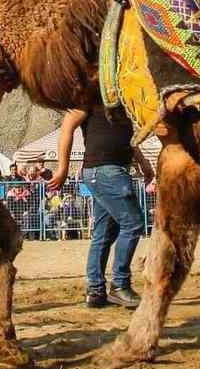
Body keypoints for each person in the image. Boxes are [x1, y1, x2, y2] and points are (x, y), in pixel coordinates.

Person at [51, 105, 151, 309]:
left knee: (104, 233)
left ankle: (96, 291)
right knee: (133, 223)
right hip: (104, 170)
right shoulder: (88, 96)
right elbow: (67, 128)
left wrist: (143, 162)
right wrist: (62, 169)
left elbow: (128, 140)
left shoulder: (122, 103)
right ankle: (120, 286)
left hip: (112, 170)